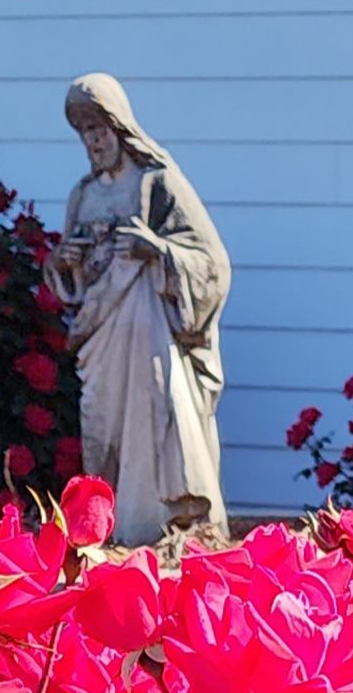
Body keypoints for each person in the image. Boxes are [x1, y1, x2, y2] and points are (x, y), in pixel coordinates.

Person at [45, 73, 231, 546]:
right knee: (102, 425)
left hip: (150, 330)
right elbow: (75, 276)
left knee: (154, 415)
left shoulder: (158, 182)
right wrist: (67, 264)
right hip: (101, 335)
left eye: (100, 128)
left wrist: (159, 251)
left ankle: (164, 530)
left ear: (121, 126)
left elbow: (212, 261)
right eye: (84, 132)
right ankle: (108, 533)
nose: (93, 140)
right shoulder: (82, 194)